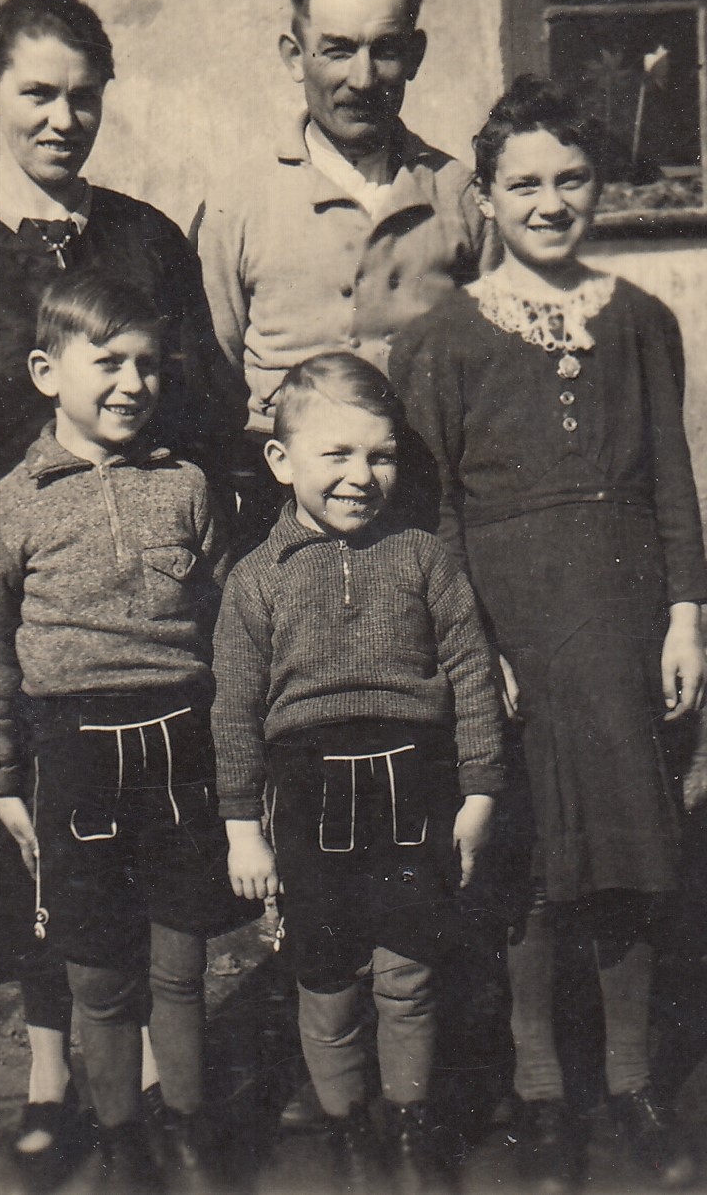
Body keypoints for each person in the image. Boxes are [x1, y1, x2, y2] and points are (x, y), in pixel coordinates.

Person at [0, 0, 241, 1186]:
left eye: (83, 96)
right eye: (36, 91)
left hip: (132, 599)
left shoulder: (146, 239)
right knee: (32, 841)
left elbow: (200, 406)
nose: (61, 117)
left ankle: (150, 1080)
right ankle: (51, 1080)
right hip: (0, 591)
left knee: (146, 839)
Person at [389, 75, 707, 1192]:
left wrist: (683, 617)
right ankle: (539, 1093)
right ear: (482, 198)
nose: (549, 202)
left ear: (598, 187)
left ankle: (630, 1082)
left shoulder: (640, 321)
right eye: (522, 183)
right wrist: (472, 649)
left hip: (623, 622)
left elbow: (670, 476)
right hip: (511, 632)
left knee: (626, 851)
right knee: (522, 857)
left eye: (570, 179)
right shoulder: (440, 341)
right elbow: (431, 516)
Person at [0, 271, 256, 1192]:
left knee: (180, 954)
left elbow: (225, 628)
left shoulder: (189, 487)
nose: (133, 384)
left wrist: (237, 754)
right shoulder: (8, 507)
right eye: (109, 363)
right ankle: (121, 1134)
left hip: (180, 743)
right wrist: (0, 776)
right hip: (73, 755)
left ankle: (188, 1125)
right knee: (95, 964)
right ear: (47, 372)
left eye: (149, 365)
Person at [211, 354, 506, 1192]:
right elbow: (233, 712)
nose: (360, 476)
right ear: (281, 461)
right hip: (307, 798)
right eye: (335, 454)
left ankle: (409, 1125)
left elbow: (472, 675)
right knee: (327, 972)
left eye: (380, 456)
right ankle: (347, 1124)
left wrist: (480, 792)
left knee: (408, 970)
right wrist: (242, 829)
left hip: (414, 787)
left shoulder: (424, 560)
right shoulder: (255, 582)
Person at [195, 0, 494, 550]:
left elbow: (494, 370)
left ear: (414, 55)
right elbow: (214, 374)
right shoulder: (238, 205)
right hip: (279, 509)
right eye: (336, 49)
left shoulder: (460, 196)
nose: (362, 78)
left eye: (384, 49)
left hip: (424, 503)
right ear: (294, 55)